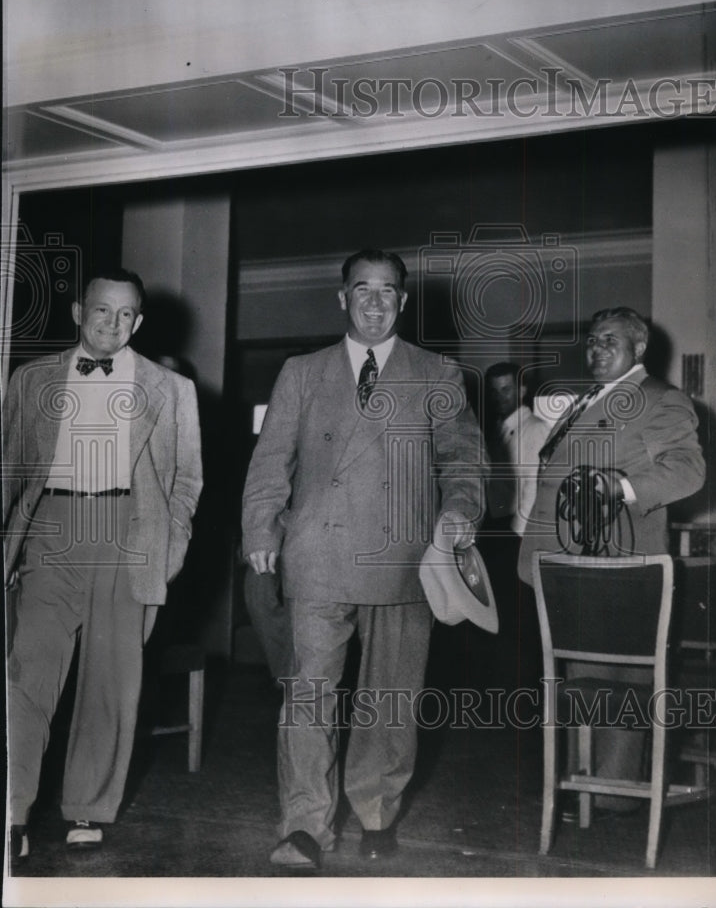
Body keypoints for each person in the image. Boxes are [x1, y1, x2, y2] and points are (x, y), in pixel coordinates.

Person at [241, 249, 484, 871]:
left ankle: (376, 811)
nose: (374, 301)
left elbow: (463, 459)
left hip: (406, 557)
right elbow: (271, 462)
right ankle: (304, 826)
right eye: (361, 289)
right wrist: (260, 531)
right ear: (342, 297)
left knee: (391, 699)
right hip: (317, 553)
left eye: (387, 291)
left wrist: (459, 511)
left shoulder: (437, 373)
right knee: (308, 698)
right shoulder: (302, 371)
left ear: (403, 301)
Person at [3, 269, 203, 863]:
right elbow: (9, 469)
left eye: (126, 315)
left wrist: (171, 546)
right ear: (76, 312)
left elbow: (187, 480)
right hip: (50, 531)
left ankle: (86, 807)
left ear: (138, 321)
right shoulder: (31, 377)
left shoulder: (171, 388)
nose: (112, 324)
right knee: (27, 671)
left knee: (111, 681)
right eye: (101, 312)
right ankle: (12, 810)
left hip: (130, 533)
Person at [518, 306, 705, 811]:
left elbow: (688, 471)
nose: (596, 349)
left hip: (616, 568)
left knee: (620, 682)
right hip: (564, 565)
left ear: (639, 349)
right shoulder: (586, 400)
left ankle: (614, 798)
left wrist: (620, 486)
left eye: (609, 341)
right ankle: (587, 791)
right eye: (592, 341)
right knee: (583, 679)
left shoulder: (660, 400)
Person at [483, 362, 551, 690]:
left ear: (522, 390)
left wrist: (517, 542)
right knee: (502, 618)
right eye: (494, 391)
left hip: (517, 537)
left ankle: (524, 691)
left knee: (519, 621)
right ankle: (507, 687)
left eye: (506, 389)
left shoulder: (535, 429)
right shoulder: (498, 430)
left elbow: (533, 489)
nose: (500, 397)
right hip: (498, 533)